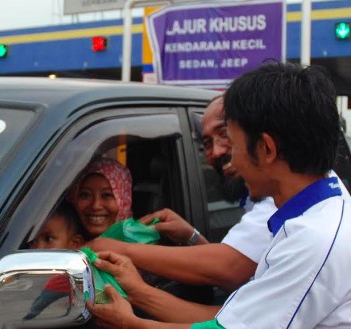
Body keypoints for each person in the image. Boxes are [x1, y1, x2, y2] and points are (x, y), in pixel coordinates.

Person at [88, 62, 351, 328]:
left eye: (233, 144)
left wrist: (129, 323)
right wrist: (137, 291)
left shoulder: (313, 240)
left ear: (266, 149)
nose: (225, 157)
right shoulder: (316, 212)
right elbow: (230, 320)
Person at [68, 157, 134, 240]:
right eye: (85, 195)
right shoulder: (60, 246)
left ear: (124, 202)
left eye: (106, 195)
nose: (95, 206)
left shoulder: (140, 248)